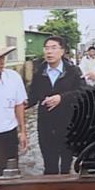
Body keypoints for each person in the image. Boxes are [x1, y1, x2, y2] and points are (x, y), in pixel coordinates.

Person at [26, 36, 83, 174]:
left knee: (65, 166)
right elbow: (33, 96)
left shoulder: (73, 71)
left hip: (68, 125)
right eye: (46, 48)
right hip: (46, 125)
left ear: (62, 51)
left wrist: (61, 98)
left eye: (53, 48)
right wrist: (21, 104)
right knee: (49, 166)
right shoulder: (39, 72)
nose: (49, 52)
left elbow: (83, 92)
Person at [0, 42, 27, 181]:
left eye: (3, 57)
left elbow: (19, 105)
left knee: (11, 174)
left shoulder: (13, 77)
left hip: (8, 134)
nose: (2, 62)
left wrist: (23, 132)